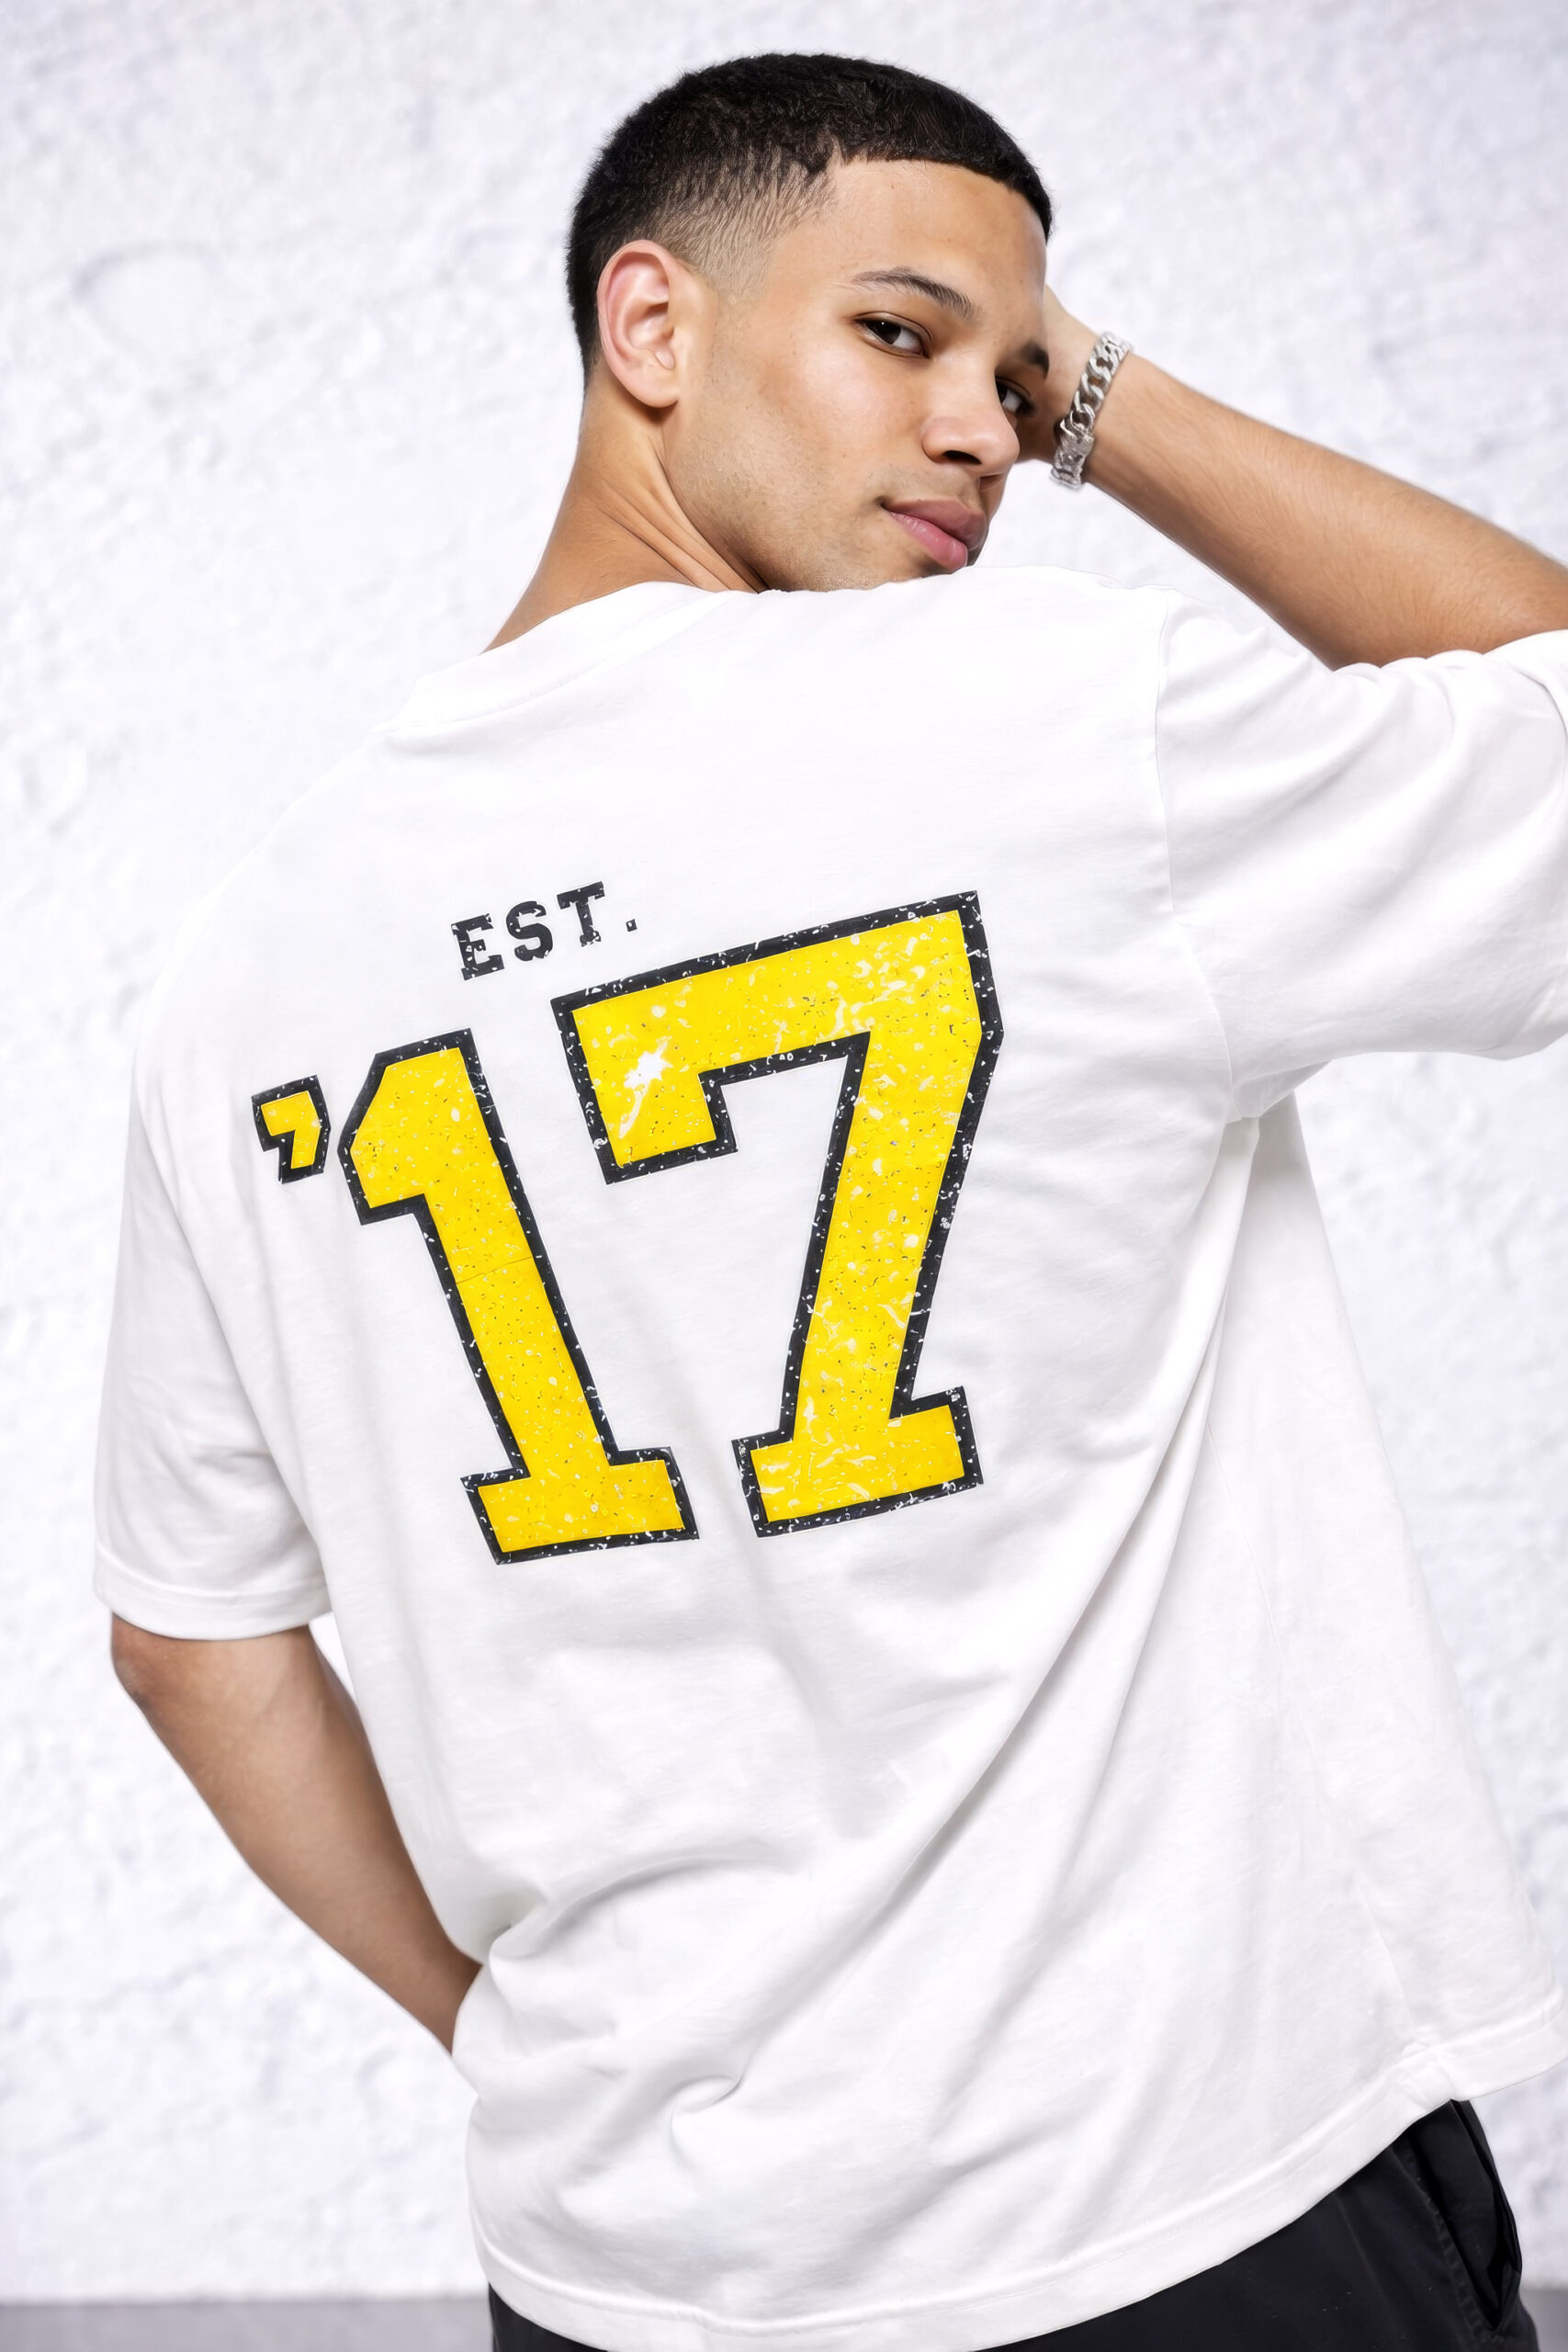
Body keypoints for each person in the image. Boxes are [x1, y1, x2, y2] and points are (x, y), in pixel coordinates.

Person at [96, 50, 1568, 2352]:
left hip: (633, 2267)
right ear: (648, 325)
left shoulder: (247, 962)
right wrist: (1115, 401)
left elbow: (193, 1642)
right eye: (904, 334)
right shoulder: (1054, 723)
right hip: (1174, 2201)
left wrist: (523, 2043)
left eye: (1021, 375)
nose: (987, 425)